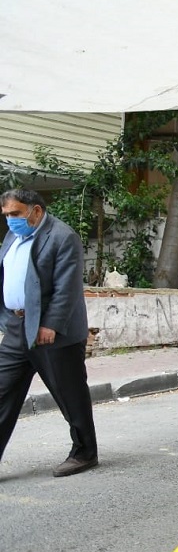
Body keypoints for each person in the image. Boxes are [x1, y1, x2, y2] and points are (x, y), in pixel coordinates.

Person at [0, 189, 99, 477]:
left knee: (69, 394)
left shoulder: (62, 237)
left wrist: (50, 325)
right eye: (6, 216)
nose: (10, 221)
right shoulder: (13, 237)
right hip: (18, 329)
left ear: (36, 211)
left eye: (15, 214)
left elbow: (66, 288)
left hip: (54, 333)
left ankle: (84, 453)